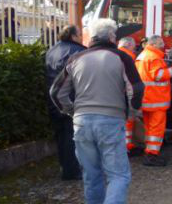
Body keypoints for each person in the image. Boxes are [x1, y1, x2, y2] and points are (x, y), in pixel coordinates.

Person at [50, 19, 145, 204]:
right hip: (111, 120)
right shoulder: (121, 57)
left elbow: (55, 92)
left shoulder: (76, 58)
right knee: (118, 176)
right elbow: (137, 88)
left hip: (81, 123)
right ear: (111, 36)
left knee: (91, 176)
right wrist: (132, 112)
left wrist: (71, 111)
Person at [45, 25, 85, 180]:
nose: (82, 37)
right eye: (80, 34)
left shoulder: (52, 50)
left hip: (53, 99)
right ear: (73, 36)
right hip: (71, 99)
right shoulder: (78, 52)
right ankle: (73, 171)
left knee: (62, 137)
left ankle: (65, 168)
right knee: (73, 138)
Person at [131, 35, 172, 166]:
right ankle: (151, 155)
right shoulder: (154, 57)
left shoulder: (142, 56)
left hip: (146, 99)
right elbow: (158, 75)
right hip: (157, 100)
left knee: (149, 128)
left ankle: (149, 152)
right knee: (156, 130)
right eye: (161, 43)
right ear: (155, 44)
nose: (163, 45)